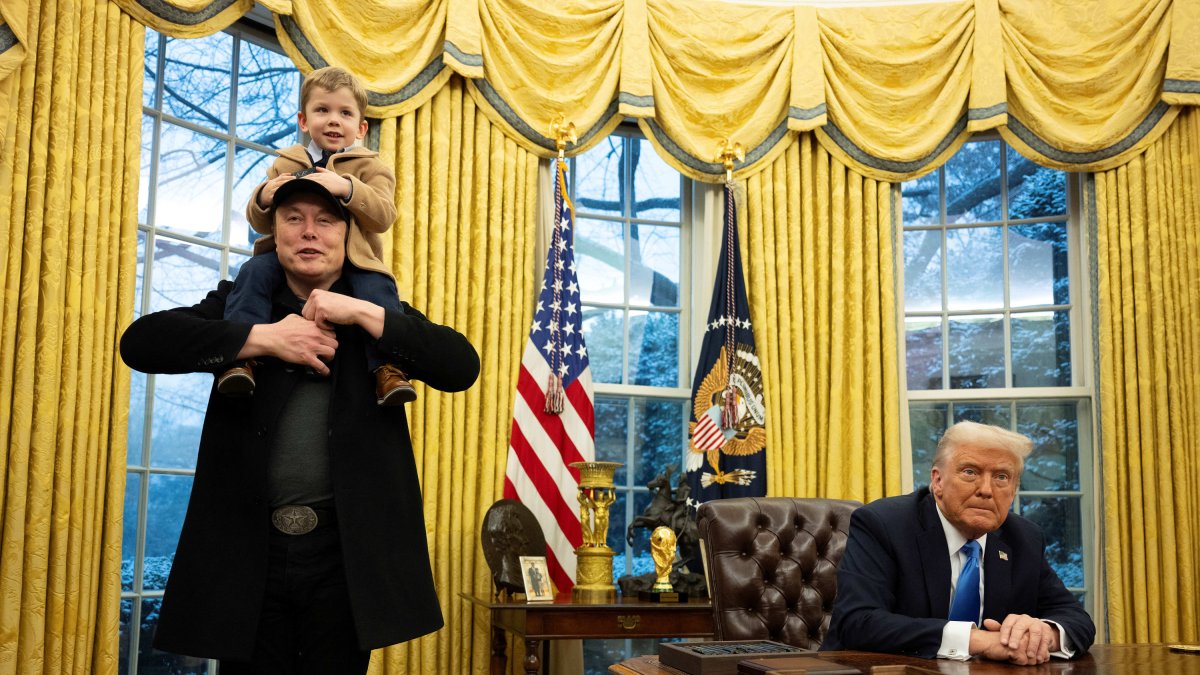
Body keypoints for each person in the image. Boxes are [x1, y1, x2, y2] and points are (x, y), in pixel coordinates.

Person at [119, 178, 480, 673]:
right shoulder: (240, 305)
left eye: (325, 220)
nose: (309, 232)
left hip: (346, 560)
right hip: (247, 557)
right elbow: (140, 343)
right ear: (276, 233)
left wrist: (362, 313)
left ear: (347, 235)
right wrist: (260, 339)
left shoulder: (375, 309)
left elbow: (462, 366)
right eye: (294, 218)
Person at [218, 65, 416, 406]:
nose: (334, 120)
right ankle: (240, 359)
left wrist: (348, 187)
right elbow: (260, 220)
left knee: (378, 289)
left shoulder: (372, 167)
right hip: (288, 260)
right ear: (304, 120)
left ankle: (386, 368)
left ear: (361, 127)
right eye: (322, 110)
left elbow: (384, 215)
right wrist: (265, 195)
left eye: (345, 113)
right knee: (252, 273)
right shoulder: (287, 162)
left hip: (356, 260)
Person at [822, 421, 1094, 665]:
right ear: (937, 481)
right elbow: (858, 622)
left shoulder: (1024, 538)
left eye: (1001, 477)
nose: (986, 490)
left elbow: (1076, 619)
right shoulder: (883, 524)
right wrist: (979, 641)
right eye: (970, 472)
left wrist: (1040, 635)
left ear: (1013, 491)